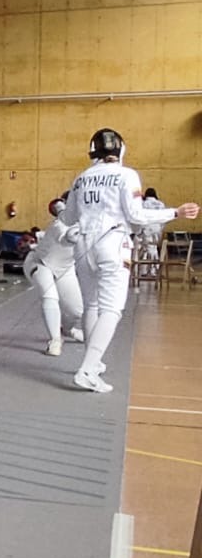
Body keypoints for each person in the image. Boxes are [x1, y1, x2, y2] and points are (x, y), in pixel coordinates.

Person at [60, 128, 199, 394]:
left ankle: (93, 360)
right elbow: (136, 215)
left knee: (92, 304)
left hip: (83, 247)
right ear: (121, 149)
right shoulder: (126, 175)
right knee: (112, 309)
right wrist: (176, 212)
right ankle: (87, 370)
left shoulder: (80, 179)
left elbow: (67, 218)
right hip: (113, 245)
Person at [22, 196, 83, 356]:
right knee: (50, 296)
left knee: (76, 311)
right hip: (40, 263)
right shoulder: (60, 224)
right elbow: (68, 237)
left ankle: (68, 330)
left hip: (65, 268)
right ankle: (55, 340)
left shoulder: (92, 223)